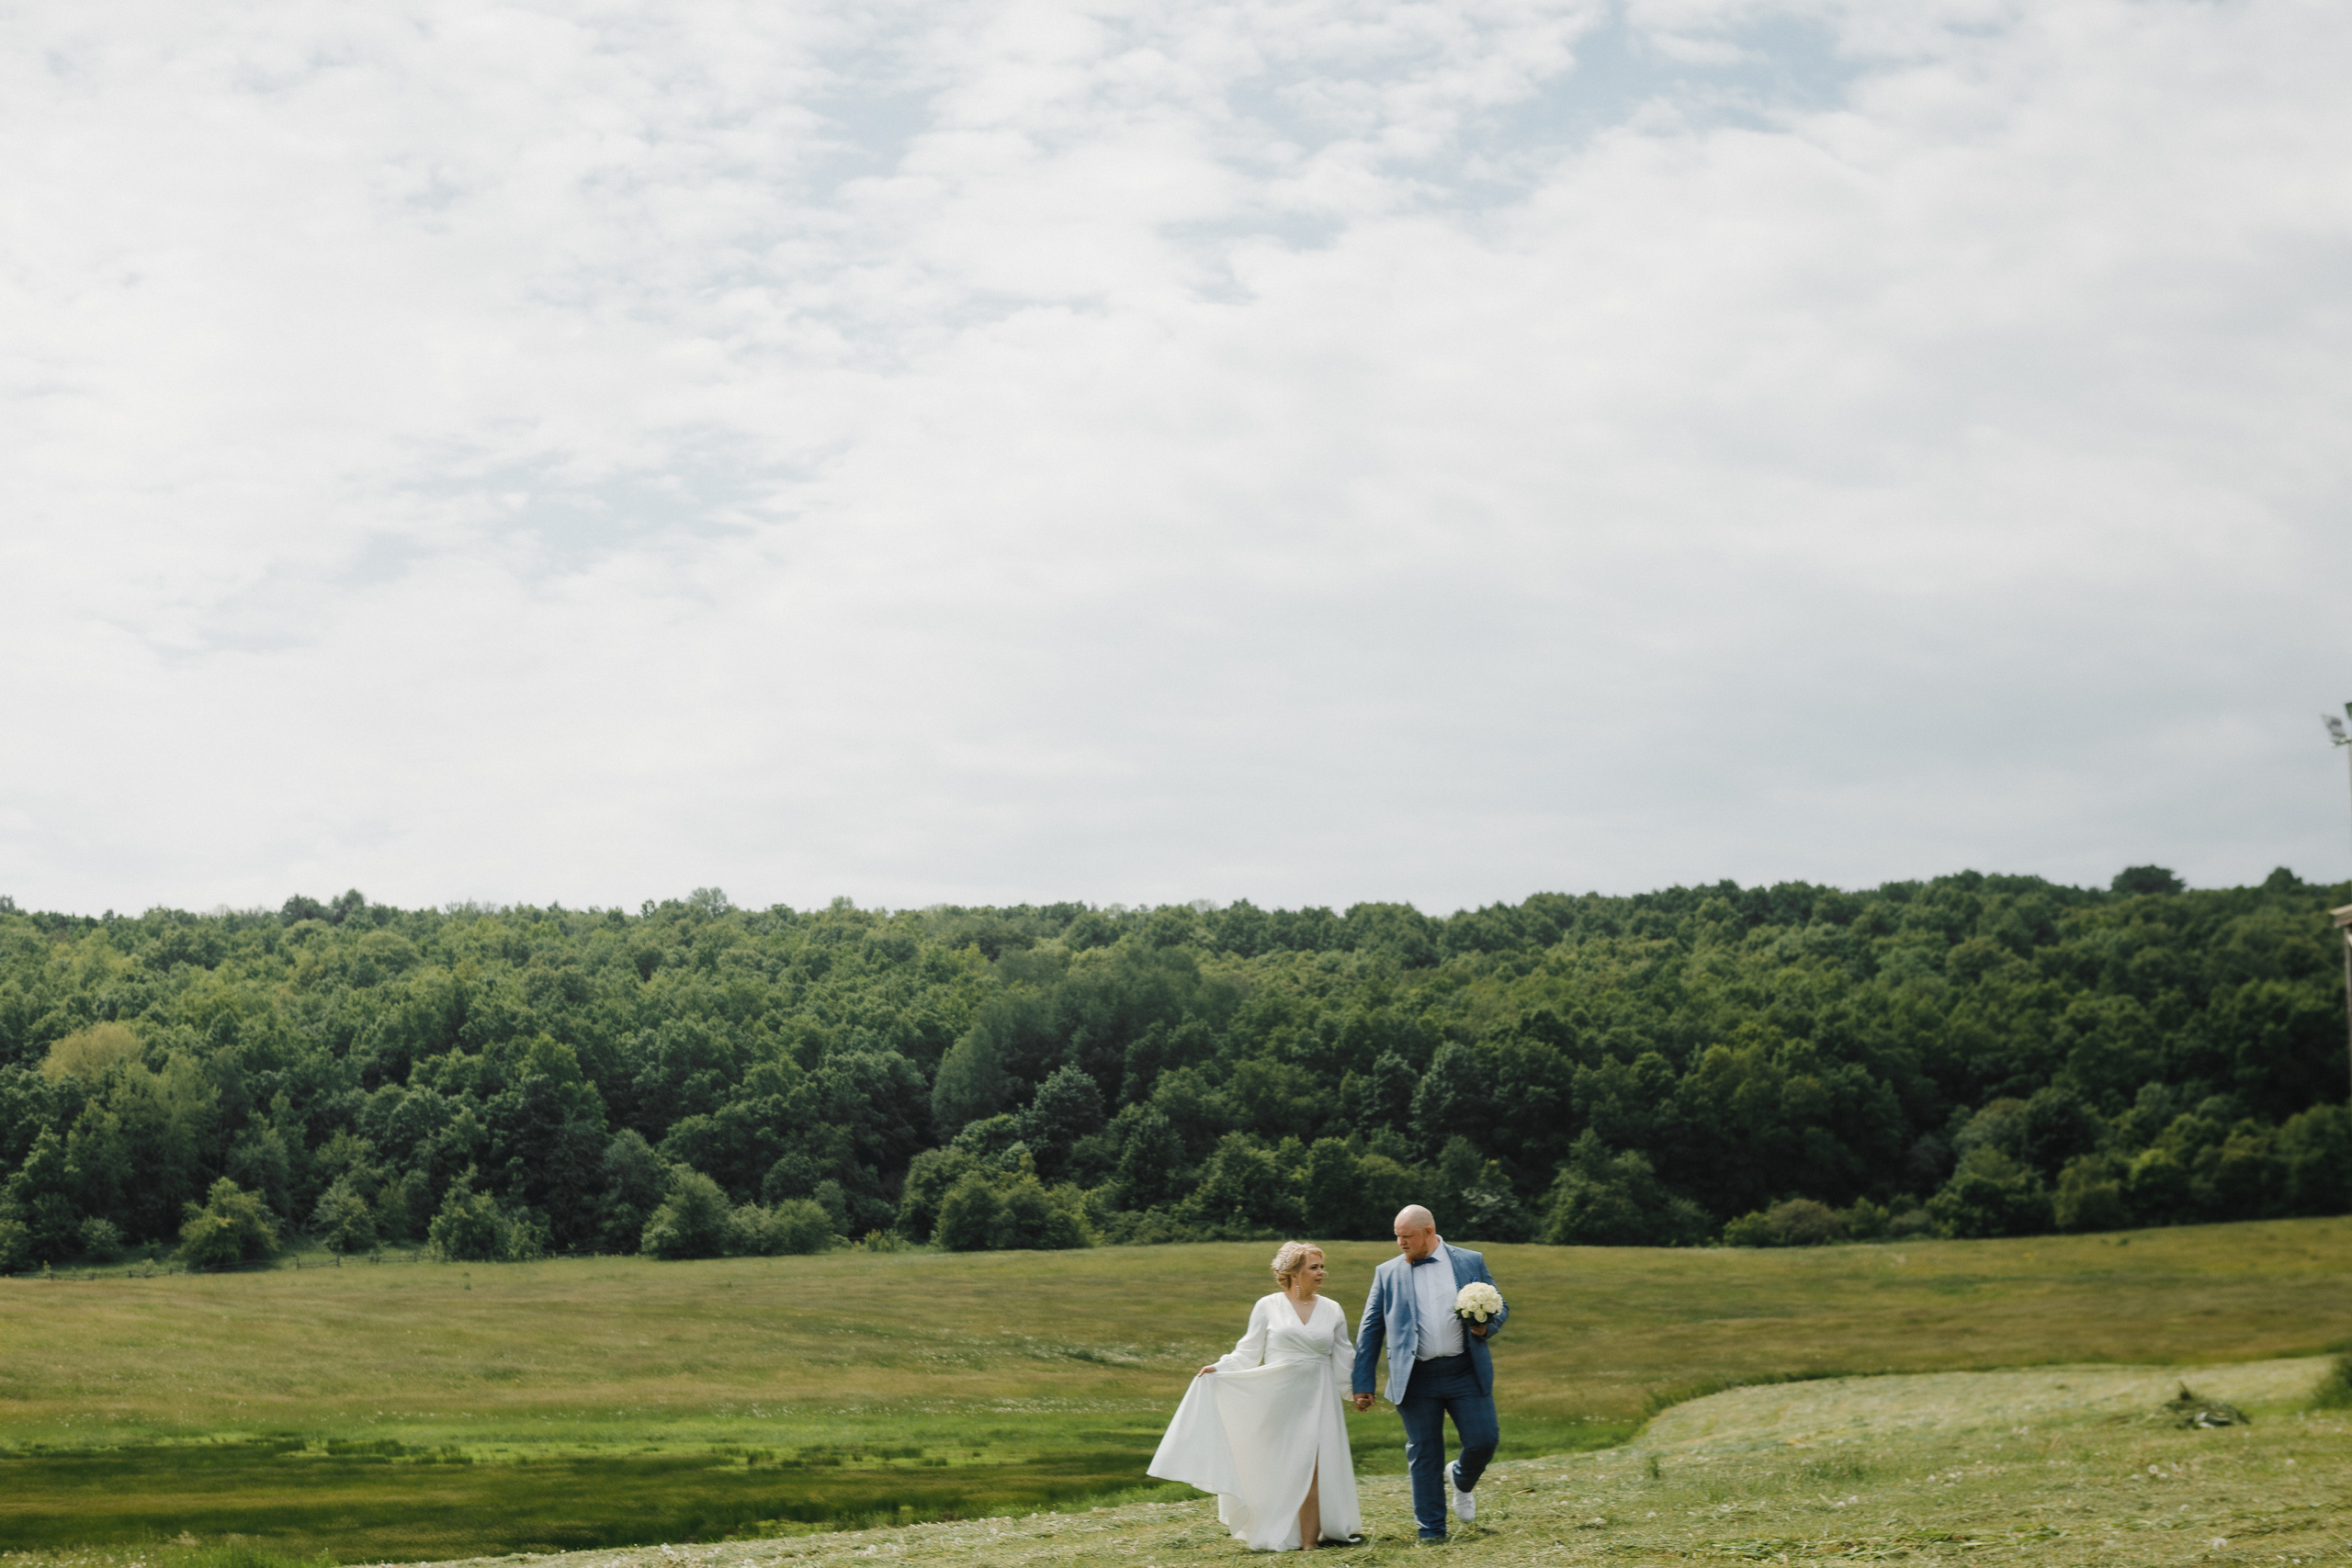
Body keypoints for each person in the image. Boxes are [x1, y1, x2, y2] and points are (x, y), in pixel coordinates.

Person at [1148, 1241, 1363, 1551]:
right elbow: (1248, 1350)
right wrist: (1220, 1369)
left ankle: (1309, 1542)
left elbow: (1344, 1356)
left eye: (1321, 1266)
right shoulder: (1268, 1306)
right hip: (1278, 1397)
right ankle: (1275, 1528)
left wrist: (1356, 1391)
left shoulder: (1332, 1308)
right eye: (1314, 1267)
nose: (1322, 1273)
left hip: (1319, 1397)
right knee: (1283, 1465)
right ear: (1293, 1273)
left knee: (1313, 1466)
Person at [1351, 1205, 1510, 1545]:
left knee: (1484, 1439)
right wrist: (1363, 1383)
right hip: (1415, 1376)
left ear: (1428, 1231)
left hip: (1465, 1370)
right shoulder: (1387, 1272)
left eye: (1406, 1236)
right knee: (1424, 1453)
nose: (1399, 1243)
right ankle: (1432, 1533)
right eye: (1396, 1236)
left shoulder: (1470, 1261)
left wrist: (1484, 1326)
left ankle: (1461, 1479)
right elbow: (1370, 1328)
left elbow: (1501, 1305)